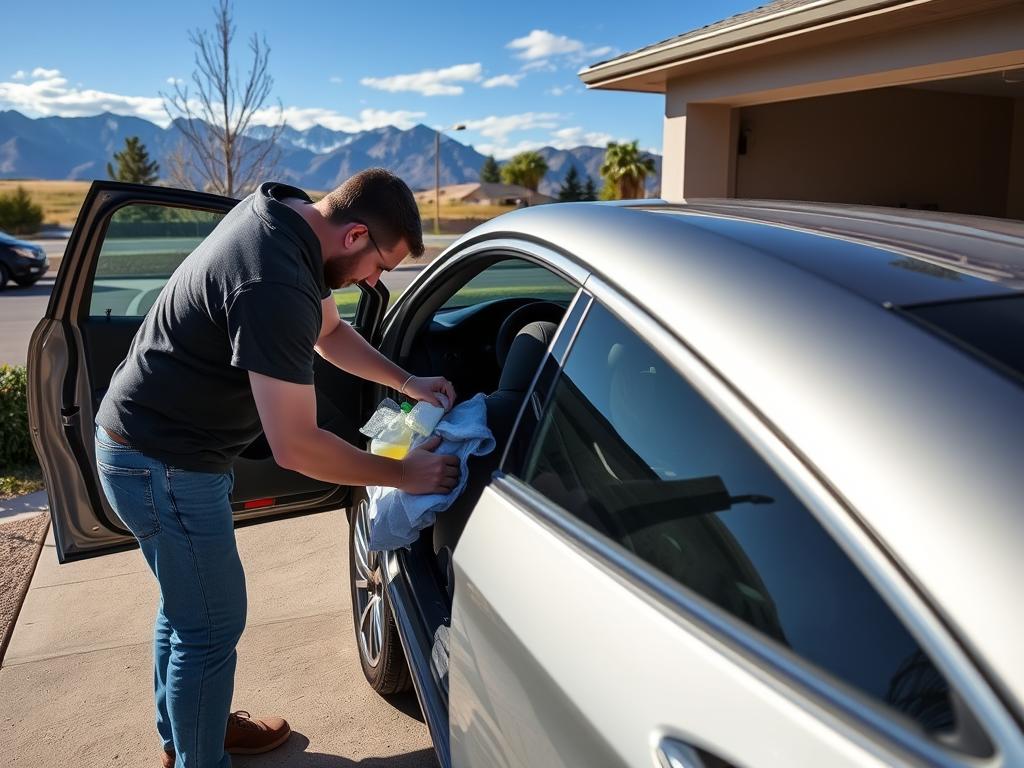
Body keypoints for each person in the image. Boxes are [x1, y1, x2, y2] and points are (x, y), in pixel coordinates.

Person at [93, 168, 458, 768]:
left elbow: (330, 333)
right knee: (210, 624)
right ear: (355, 234)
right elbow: (296, 446)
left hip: (150, 447)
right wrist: (405, 474)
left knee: (188, 610)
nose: (372, 281)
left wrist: (406, 381)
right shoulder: (276, 283)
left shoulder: (285, 214)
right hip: (161, 464)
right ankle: (198, 755)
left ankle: (187, 735)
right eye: (378, 266)